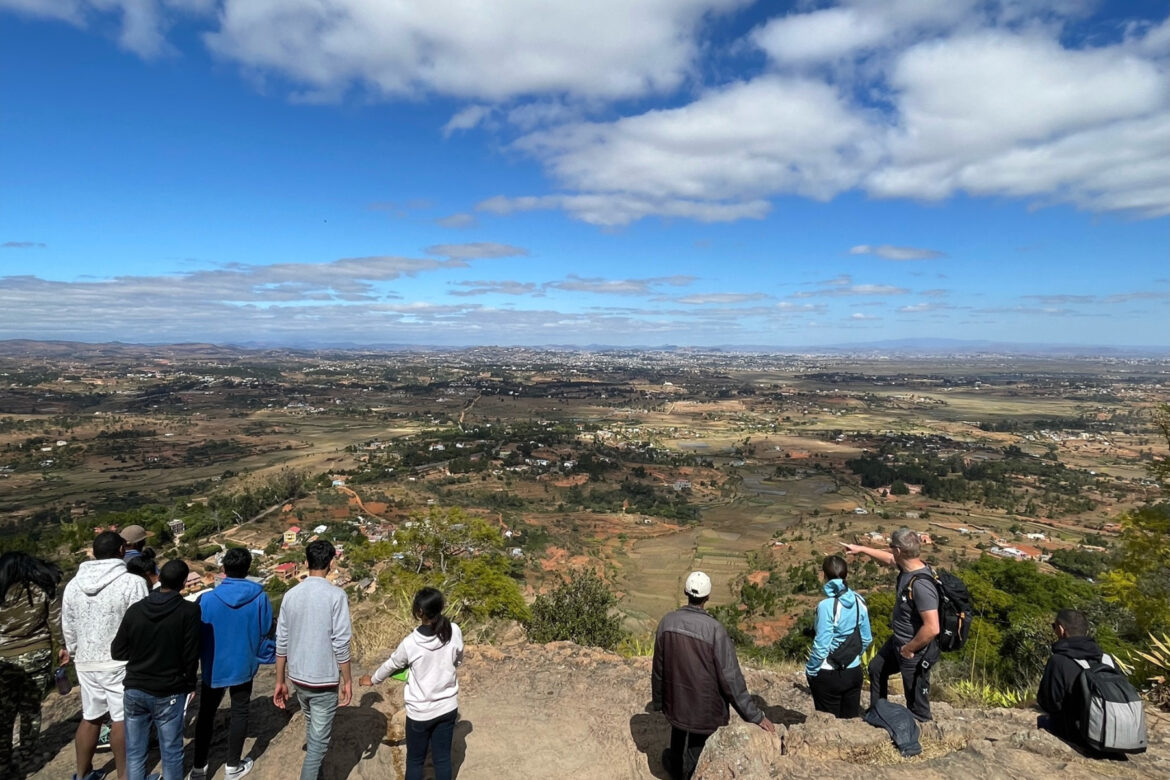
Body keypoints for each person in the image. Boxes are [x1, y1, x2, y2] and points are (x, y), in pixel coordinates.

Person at [651, 571, 775, 780]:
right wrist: (754, 715)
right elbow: (731, 679)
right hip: (705, 709)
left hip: (676, 702)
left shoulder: (667, 622)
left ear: (685, 593)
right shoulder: (715, 630)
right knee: (697, 751)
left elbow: (659, 668)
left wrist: (659, 701)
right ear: (707, 597)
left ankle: (674, 765)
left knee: (678, 732)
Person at [62, 530, 150, 780]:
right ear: (122, 551)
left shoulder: (73, 585)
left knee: (91, 717)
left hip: (86, 660)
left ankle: (83, 773)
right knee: (123, 719)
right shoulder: (132, 583)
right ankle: (126, 776)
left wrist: (75, 651)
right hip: (120, 661)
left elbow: (68, 624)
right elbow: (142, 623)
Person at [111, 559, 201, 780]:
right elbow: (191, 654)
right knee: (171, 752)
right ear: (183, 584)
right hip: (169, 689)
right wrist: (190, 684)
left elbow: (117, 651)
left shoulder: (135, 610)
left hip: (134, 689)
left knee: (134, 752)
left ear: (159, 578)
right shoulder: (188, 612)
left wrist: (142, 653)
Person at [360, 587, 463, 780]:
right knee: (442, 760)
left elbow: (391, 664)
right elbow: (458, 660)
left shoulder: (411, 643)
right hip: (448, 708)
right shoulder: (454, 630)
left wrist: (372, 679)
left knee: (415, 760)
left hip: (420, 713)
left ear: (419, 612)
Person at [274, 540, 353, 780]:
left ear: (306, 563)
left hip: (298, 678)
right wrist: (347, 680)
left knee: (313, 731)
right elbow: (341, 642)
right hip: (324, 681)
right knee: (317, 747)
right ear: (331, 563)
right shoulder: (336, 596)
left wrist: (280, 680)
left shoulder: (290, 595)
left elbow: (282, 641)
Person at [191, 547, 273, 780]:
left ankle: (199, 768)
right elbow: (266, 629)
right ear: (248, 569)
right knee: (240, 712)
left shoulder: (206, 599)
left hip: (213, 666)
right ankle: (233, 766)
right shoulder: (260, 597)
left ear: (224, 569)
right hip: (244, 664)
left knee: (206, 714)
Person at [843, 529, 941, 721]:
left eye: (891, 546)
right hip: (899, 641)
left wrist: (909, 649)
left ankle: (917, 735)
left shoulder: (921, 585)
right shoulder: (908, 567)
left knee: (916, 703)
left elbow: (932, 627)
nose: (890, 551)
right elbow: (888, 559)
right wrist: (861, 549)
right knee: (876, 668)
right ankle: (878, 714)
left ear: (898, 550)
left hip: (914, 649)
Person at [0, 551, 64, 777]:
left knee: (4, 712)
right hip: (37, 653)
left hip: (3, 659)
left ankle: (3, 761)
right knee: (31, 708)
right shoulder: (42, 589)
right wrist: (63, 647)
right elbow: (56, 623)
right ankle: (27, 754)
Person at [805, 555, 873, 718]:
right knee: (850, 722)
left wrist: (811, 670)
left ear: (824, 576)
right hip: (854, 672)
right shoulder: (859, 600)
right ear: (846, 575)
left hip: (828, 674)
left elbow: (822, 646)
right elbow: (866, 638)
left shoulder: (826, 606)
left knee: (827, 723)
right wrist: (851, 656)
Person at [1037, 609, 1106, 739]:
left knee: (1044, 720)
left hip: (1080, 734)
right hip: (1111, 732)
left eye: (1054, 626)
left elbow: (1048, 703)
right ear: (1085, 631)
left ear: (1061, 630)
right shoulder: (1107, 660)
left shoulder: (1058, 661)